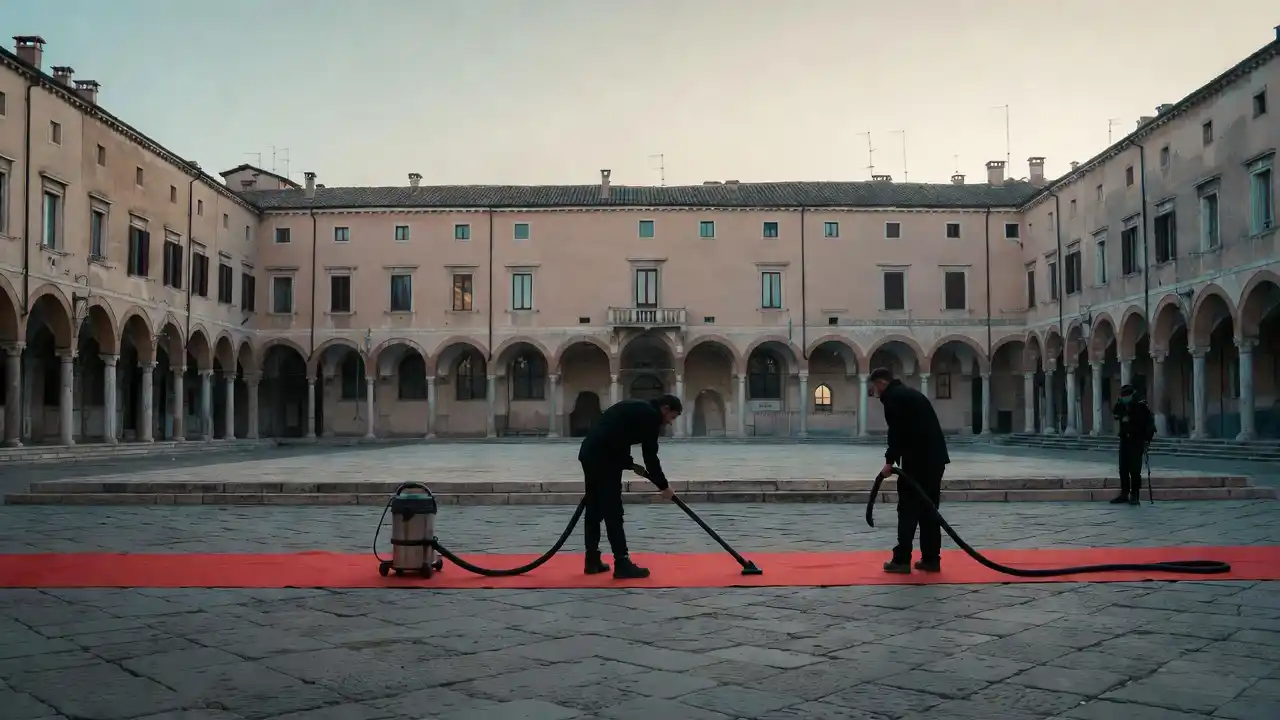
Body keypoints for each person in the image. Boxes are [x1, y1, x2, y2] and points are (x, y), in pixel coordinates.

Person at [577, 394, 682, 579]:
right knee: (613, 510)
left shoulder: (640, 408)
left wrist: (626, 461)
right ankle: (622, 563)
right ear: (665, 408)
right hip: (604, 458)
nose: (670, 422)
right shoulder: (651, 416)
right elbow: (650, 456)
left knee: (594, 507)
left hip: (592, 453)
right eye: (671, 417)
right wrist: (664, 486)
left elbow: (618, 433)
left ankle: (592, 560)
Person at [869, 367, 951, 574]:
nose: (874, 391)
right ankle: (932, 559)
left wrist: (889, 462)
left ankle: (901, 560)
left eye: (874, 386)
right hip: (935, 460)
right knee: (929, 509)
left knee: (907, 509)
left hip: (918, 461)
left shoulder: (893, 398)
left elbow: (897, 432)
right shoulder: (910, 394)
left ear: (882, 383)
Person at [1111, 384, 1155, 505]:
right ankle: (1124, 493)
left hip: (1137, 440)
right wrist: (1119, 403)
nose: (1123, 397)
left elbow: (1150, 423)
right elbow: (1115, 414)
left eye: (1125, 396)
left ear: (1131, 395)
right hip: (1124, 439)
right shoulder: (1122, 405)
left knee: (1135, 469)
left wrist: (1147, 440)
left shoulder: (1141, 405)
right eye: (1122, 396)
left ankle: (1135, 494)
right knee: (1123, 468)